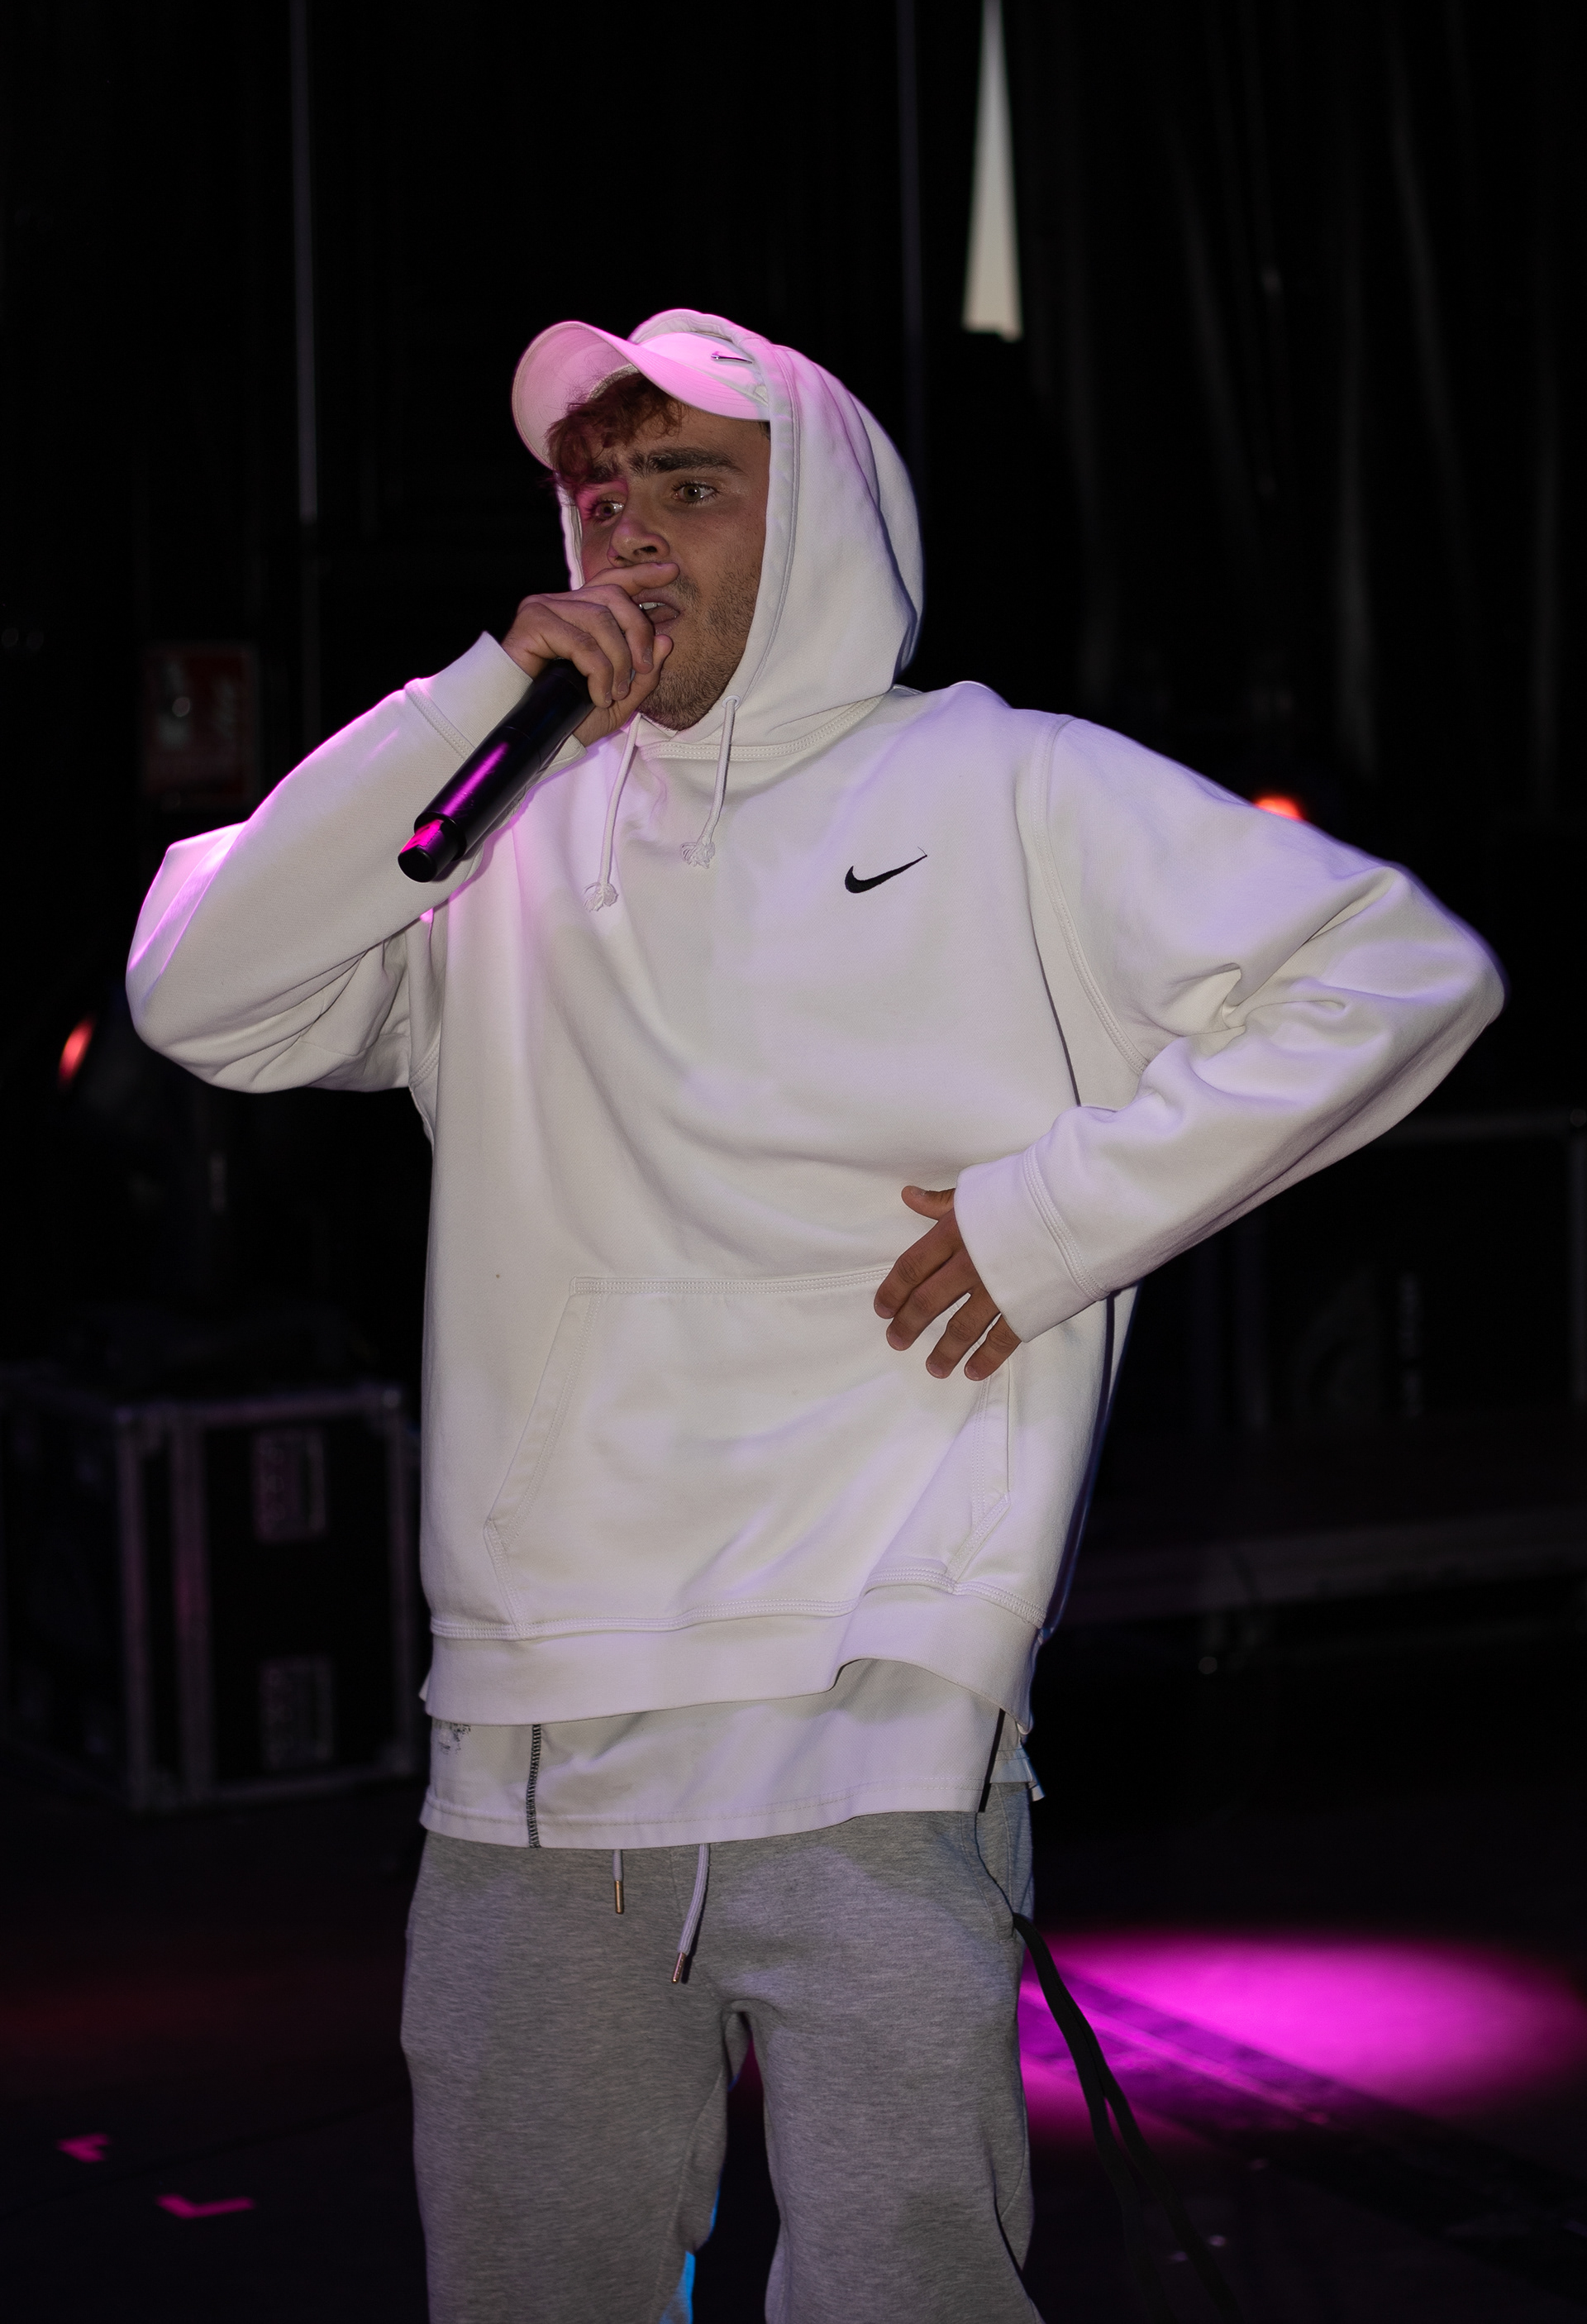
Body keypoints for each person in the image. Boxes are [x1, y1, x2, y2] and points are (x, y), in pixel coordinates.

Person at [127, 311, 1502, 2322]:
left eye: (690, 485)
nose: (629, 532)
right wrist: (472, 705)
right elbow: (199, 991)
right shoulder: (498, 829)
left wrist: (1057, 1220)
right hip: (540, 1730)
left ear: (830, 523)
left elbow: (1395, 972)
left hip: (878, 1700)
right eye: (599, 493)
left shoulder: (1007, 786)